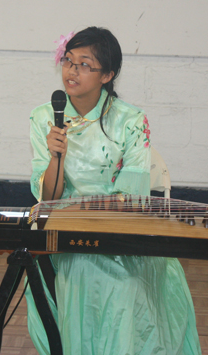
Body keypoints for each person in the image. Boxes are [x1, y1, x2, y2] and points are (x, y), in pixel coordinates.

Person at [26, 27, 201, 354]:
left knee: (120, 283)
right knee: (85, 274)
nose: (72, 70)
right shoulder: (44, 117)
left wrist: (98, 222)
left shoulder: (131, 120)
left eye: (84, 64)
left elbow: (132, 199)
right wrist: (54, 157)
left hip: (121, 231)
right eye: (68, 60)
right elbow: (48, 199)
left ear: (108, 74)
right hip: (68, 234)